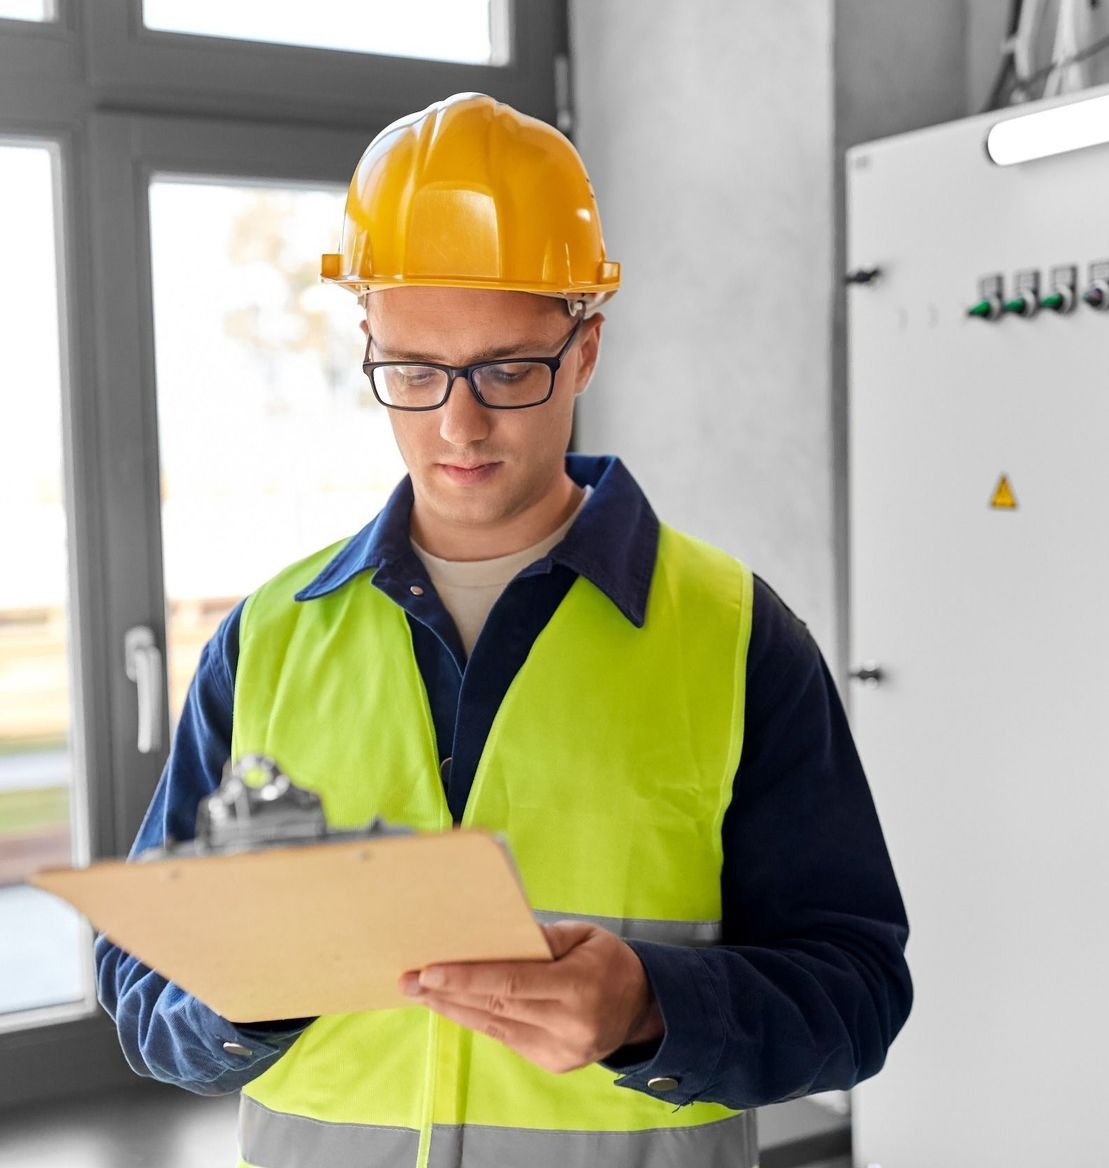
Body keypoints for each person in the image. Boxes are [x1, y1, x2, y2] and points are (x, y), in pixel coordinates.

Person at [96, 92, 911, 1168]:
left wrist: (650, 1007)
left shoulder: (734, 635)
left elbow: (855, 991)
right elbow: (141, 984)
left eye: (507, 370)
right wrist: (241, 999)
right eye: (414, 372)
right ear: (369, 348)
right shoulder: (265, 640)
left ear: (584, 349)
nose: (457, 422)